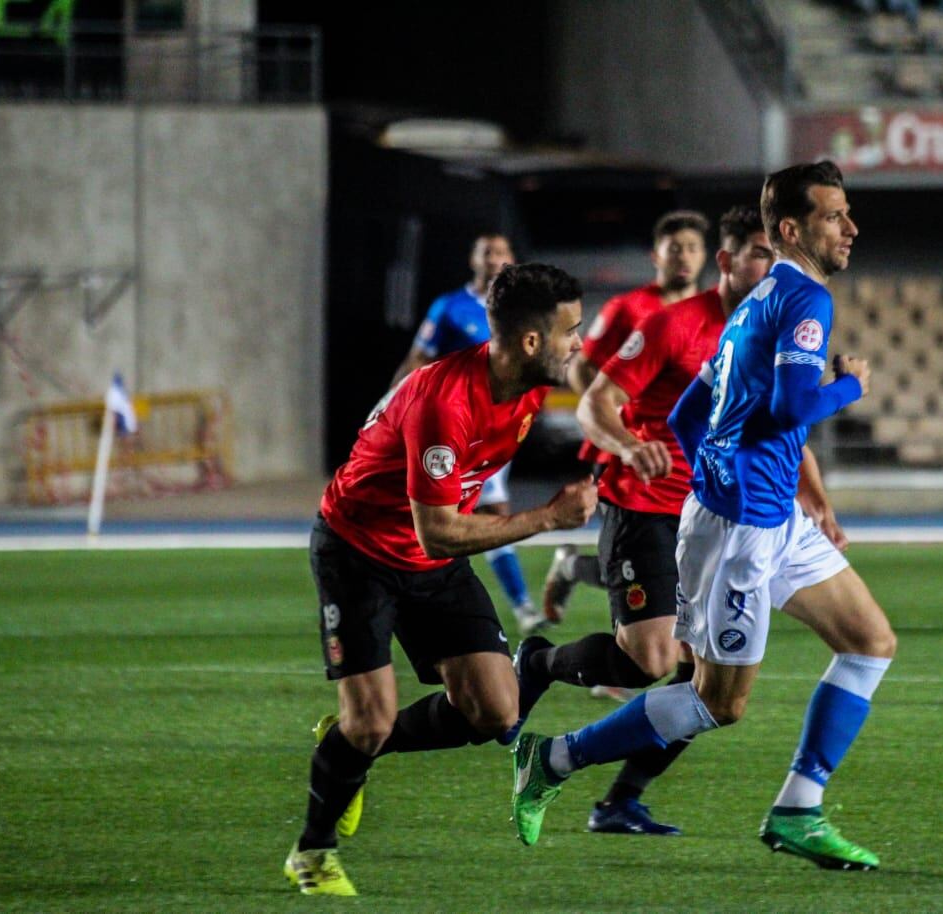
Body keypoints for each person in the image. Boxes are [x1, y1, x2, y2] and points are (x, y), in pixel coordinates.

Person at [511, 161, 898, 871]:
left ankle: (798, 809)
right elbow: (787, 408)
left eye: (848, 214)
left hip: (760, 516)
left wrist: (717, 474)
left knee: (871, 641)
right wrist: (847, 386)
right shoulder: (804, 302)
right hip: (744, 529)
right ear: (792, 229)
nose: (851, 227)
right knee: (716, 702)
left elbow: (694, 409)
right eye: (835, 215)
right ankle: (555, 759)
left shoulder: (756, 301)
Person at [282, 264, 598, 896]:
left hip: (429, 560)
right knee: (370, 720)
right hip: (358, 551)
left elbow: (441, 534)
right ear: (531, 342)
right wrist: (549, 518)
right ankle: (312, 854)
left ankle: (347, 746)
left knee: (495, 710)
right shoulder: (444, 401)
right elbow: (440, 532)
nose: (579, 344)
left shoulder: (531, 389)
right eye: (571, 331)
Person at [515, 206, 804, 836]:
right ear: (727, 262)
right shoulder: (670, 324)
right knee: (648, 661)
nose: (768, 266)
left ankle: (620, 800)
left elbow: (782, 426)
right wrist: (624, 447)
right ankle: (537, 663)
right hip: (643, 505)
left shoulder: (774, 332)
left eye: (773, 256)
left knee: (702, 683)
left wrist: (819, 500)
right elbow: (595, 400)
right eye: (756, 253)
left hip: (717, 518)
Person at [542, 210, 710, 626]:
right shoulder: (627, 307)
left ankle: (573, 568)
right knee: (640, 554)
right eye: (675, 249)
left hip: (684, 452)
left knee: (673, 562)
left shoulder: (710, 314)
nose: (683, 258)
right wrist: (613, 417)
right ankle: (624, 656)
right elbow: (582, 367)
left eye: (692, 248)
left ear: (706, 255)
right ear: (657, 255)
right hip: (629, 449)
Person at [390, 232, 546, 636]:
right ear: (473, 260)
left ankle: (509, 603)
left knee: (477, 513)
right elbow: (418, 360)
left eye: (501, 252)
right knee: (464, 515)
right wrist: (389, 409)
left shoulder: (521, 312)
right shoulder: (450, 307)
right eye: (487, 253)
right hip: (453, 427)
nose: (494, 259)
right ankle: (514, 604)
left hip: (495, 431)